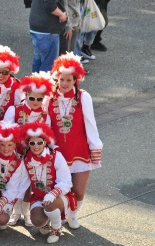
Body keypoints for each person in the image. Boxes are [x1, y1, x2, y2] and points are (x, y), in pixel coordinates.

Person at [48, 52, 103, 229]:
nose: (64, 84)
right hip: (58, 152)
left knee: (78, 191)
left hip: (79, 150)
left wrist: (95, 147)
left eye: (68, 80)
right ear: (56, 78)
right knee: (59, 189)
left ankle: (72, 215)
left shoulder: (83, 97)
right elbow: (46, 125)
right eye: (61, 79)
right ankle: (58, 216)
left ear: (75, 80)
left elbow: (90, 124)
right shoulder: (49, 98)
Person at [4, 72, 53, 227]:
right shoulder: (14, 110)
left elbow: (48, 137)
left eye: (40, 99)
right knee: (15, 183)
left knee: (30, 185)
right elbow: (4, 132)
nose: (36, 102)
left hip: (34, 155)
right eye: (32, 98)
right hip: (16, 154)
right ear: (25, 95)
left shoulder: (45, 116)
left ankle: (27, 213)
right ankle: (15, 211)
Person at [21, 122, 75, 244]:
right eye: (32, 143)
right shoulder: (26, 160)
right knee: (37, 221)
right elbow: (23, 184)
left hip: (58, 196)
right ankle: (46, 222)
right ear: (28, 144)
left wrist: (53, 193)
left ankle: (56, 229)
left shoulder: (56, 156)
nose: (36, 146)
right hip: (39, 197)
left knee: (49, 206)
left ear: (45, 142)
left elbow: (66, 182)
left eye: (39, 142)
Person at [0, 121, 27, 231]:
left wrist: (0, 204)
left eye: (10, 145)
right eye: (2, 144)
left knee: (3, 220)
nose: (6, 148)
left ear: (15, 144)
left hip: (5, 195)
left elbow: (13, 188)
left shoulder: (19, 161)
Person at [29, 0, 67, 72]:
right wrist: (61, 14)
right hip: (47, 31)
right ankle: (44, 83)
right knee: (48, 66)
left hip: (37, 28)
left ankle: (35, 82)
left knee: (38, 61)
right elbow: (50, 3)